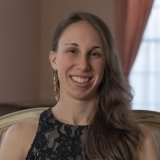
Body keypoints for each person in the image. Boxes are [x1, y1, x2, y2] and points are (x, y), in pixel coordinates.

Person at [0, 12, 159, 160]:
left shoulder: (139, 139)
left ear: (107, 63)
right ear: (54, 60)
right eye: (72, 51)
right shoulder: (19, 136)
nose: (83, 65)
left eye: (94, 53)